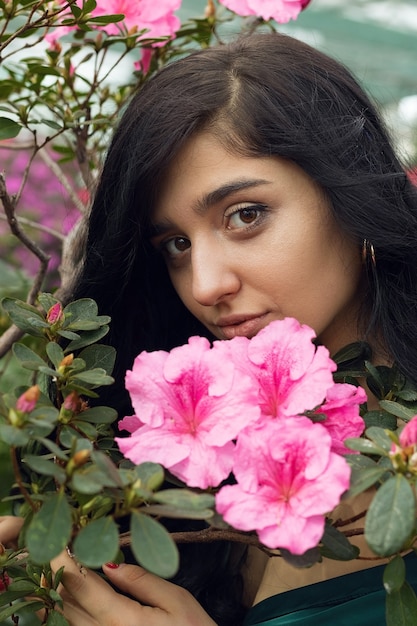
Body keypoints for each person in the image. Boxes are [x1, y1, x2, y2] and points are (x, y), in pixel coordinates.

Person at [2, 30, 417, 625]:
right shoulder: (191, 474)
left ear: (352, 198)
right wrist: (57, 552)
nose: (203, 285)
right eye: (174, 244)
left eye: (246, 215)